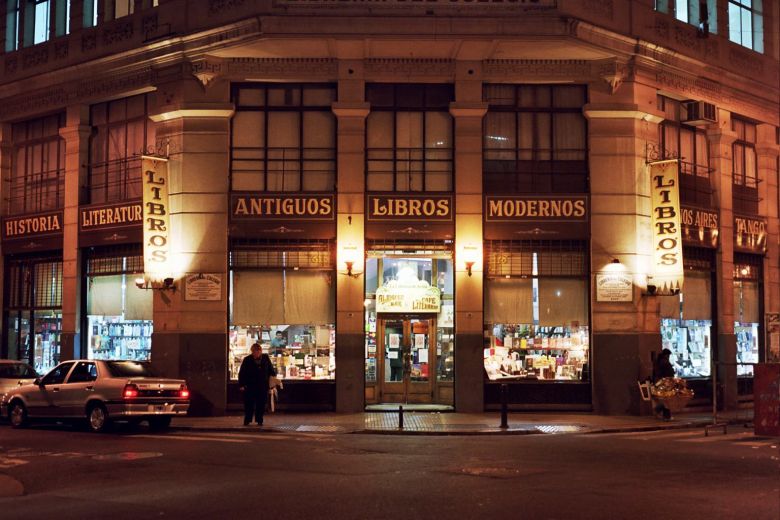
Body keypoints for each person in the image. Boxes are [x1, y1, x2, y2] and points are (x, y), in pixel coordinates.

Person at [238, 342, 276, 426]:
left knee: (261, 404)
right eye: (254, 352)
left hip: (262, 385)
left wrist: (273, 380)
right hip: (250, 385)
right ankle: (247, 419)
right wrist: (241, 385)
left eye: (257, 352)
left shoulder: (265, 358)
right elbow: (242, 373)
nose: (256, 354)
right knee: (249, 404)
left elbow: (271, 370)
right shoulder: (247, 359)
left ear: (260, 351)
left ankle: (259, 420)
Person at [653, 348, 675, 420]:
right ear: (666, 355)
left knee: (666, 400)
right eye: (668, 355)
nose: (669, 357)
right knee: (667, 400)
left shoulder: (659, 361)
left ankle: (664, 414)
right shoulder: (664, 362)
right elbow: (669, 372)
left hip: (661, 382)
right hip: (665, 382)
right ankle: (663, 413)